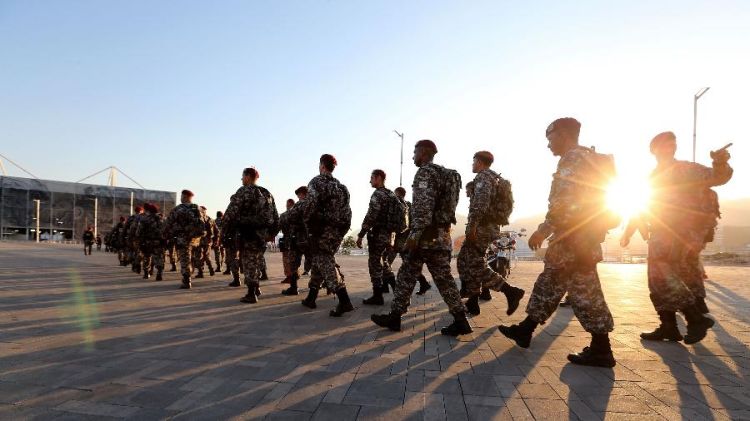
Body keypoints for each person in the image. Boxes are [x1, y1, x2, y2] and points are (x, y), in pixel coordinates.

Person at [498, 118, 617, 367]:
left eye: (550, 139)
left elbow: (565, 203)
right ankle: (526, 329)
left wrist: (543, 230)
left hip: (575, 240)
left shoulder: (572, 159)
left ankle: (601, 349)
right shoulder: (586, 158)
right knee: (550, 284)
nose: (548, 145)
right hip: (578, 238)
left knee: (584, 292)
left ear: (563, 134)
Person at [620, 131, 731, 343]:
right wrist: (629, 231)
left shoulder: (686, 169)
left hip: (680, 233)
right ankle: (669, 326)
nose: (669, 148)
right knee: (661, 278)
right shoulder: (653, 177)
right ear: (653, 150)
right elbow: (643, 206)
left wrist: (720, 162)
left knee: (662, 276)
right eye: (664, 145)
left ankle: (694, 318)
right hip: (662, 232)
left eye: (672, 145)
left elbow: (718, 177)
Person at [371, 139, 471, 336]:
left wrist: (414, 236)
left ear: (424, 153)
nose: (413, 156)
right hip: (441, 234)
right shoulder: (447, 174)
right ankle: (461, 320)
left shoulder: (425, 172)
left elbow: (424, 208)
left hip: (425, 237)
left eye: (415, 152)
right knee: (442, 279)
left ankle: (395, 317)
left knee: (406, 275)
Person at [457, 151, 524, 316]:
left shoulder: (484, 177)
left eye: (473, 161)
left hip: (482, 226)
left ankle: (510, 291)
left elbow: (481, 203)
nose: (472, 164)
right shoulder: (494, 177)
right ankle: (473, 301)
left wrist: (473, 225)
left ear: (479, 162)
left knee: (472, 263)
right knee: (468, 261)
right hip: (488, 226)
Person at [299, 154, 355, 317]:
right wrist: (340, 232)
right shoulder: (342, 187)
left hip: (321, 231)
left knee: (324, 260)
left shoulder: (317, 182)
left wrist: (307, 224)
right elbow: (347, 212)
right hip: (337, 231)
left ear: (322, 166)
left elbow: (310, 206)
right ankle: (311, 297)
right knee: (319, 260)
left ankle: (344, 300)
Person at [222, 167, 279, 303]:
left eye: (243, 176)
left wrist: (224, 233)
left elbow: (230, 214)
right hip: (262, 235)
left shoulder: (244, 191)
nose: (242, 179)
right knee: (257, 261)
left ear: (248, 176)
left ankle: (251, 294)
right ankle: (256, 288)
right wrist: (272, 234)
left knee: (249, 263)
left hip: (248, 233)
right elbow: (276, 217)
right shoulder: (266, 193)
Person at [357, 169, 398, 305]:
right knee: (384, 262)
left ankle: (377, 296)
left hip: (378, 234)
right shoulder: (391, 194)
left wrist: (361, 234)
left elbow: (371, 216)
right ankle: (398, 292)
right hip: (390, 235)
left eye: (372, 178)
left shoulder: (378, 194)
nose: (370, 181)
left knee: (374, 264)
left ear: (379, 178)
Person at [387, 187, 431, 295]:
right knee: (408, 264)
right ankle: (424, 283)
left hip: (397, 239)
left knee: (386, 262)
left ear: (397, 193)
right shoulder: (410, 206)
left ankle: (391, 287)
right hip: (407, 240)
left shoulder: (397, 205)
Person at [164, 190, 206, 289]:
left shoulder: (178, 209)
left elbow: (168, 223)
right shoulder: (199, 208)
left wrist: (166, 235)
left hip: (183, 239)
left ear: (185, 197)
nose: (180, 198)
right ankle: (193, 269)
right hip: (196, 239)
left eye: (182, 196)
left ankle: (187, 281)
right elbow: (205, 224)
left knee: (185, 259)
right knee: (193, 258)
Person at [281, 186, 310, 296]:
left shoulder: (301, 203)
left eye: (298, 195)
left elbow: (289, 216)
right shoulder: (315, 204)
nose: (298, 197)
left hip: (298, 240)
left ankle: (294, 288)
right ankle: (321, 285)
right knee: (317, 262)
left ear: (302, 194)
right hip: (312, 240)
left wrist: (281, 218)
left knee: (293, 263)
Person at [136, 203, 166, 281]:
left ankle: (146, 273)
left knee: (147, 257)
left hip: (147, 242)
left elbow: (138, 232)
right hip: (158, 242)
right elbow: (166, 230)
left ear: (149, 211)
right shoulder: (162, 219)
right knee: (159, 257)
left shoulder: (144, 219)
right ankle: (159, 273)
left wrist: (139, 240)